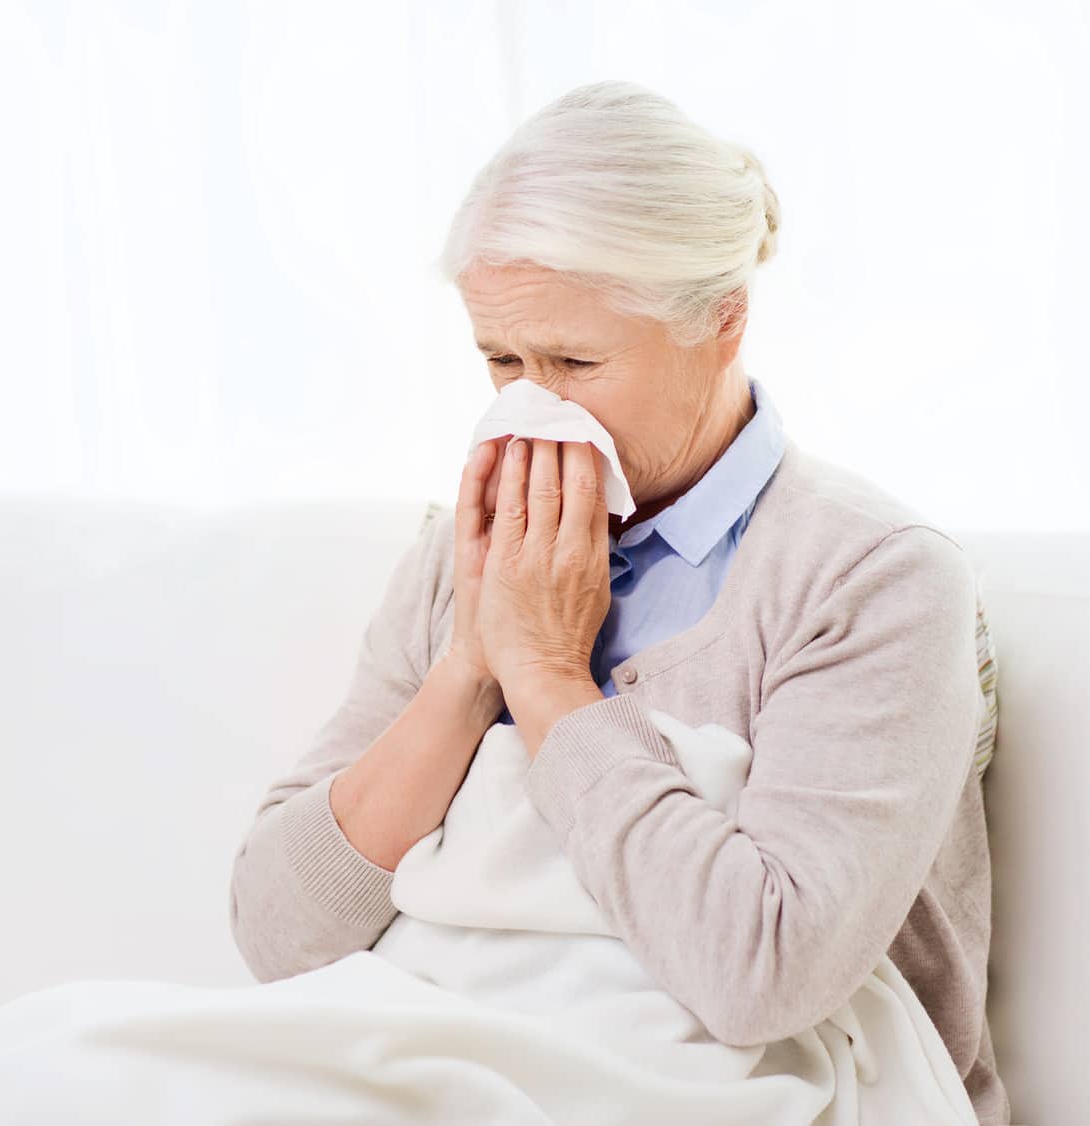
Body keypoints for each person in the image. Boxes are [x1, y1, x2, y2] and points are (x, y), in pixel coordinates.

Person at [229, 80, 1010, 1125]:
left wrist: (547, 674)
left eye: (573, 361)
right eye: (499, 360)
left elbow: (760, 976)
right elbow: (279, 937)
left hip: (753, 1088)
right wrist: (470, 665)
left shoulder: (869, 576)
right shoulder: (460, 552)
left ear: (722, 322)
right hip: (444, 1060)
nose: (528, 405)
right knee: (39, 1064)